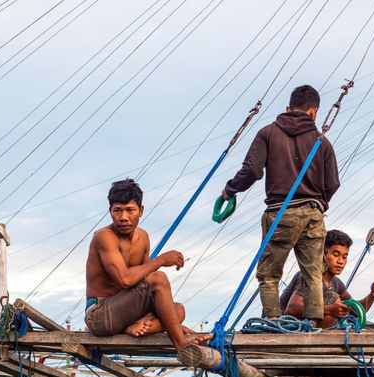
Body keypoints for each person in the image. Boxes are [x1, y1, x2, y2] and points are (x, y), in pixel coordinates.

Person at [220, 84, 340, 326]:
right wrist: (318, 204)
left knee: (269, 274)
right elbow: (333, 183)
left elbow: (252, 171)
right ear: (313, 112)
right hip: (313, 214)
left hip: (280, 212)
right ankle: (312, 325)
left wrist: (229, 190)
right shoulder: (322, 142)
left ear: (288, 108)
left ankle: (273, 321)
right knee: (313, 273)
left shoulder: (268, 133)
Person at [85, 179, 210, 351]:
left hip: (126, 312)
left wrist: (172, 323)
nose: (123, 217)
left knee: (178, 311)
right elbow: (125, 280)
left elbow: (143, 286)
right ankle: (182, 345)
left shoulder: (143, 237)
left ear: (141, 211)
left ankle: (137, 327)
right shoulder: (104, 236)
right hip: (100, 315)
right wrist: (161, 260)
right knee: (158, 278)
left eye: (130, 210)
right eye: (117, 211)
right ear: (110, 212)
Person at [281, 229, 374, 328]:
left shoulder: (337, 283)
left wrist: (372, 296)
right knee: (332, 297)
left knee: (340, 304)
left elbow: (354, 311)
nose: (340, 261)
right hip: (288, 328)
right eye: (336, 255)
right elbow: (292, 309)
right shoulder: (310, 276)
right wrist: (329, 310)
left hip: (314, 331)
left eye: (344, 257)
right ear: (322, 254)